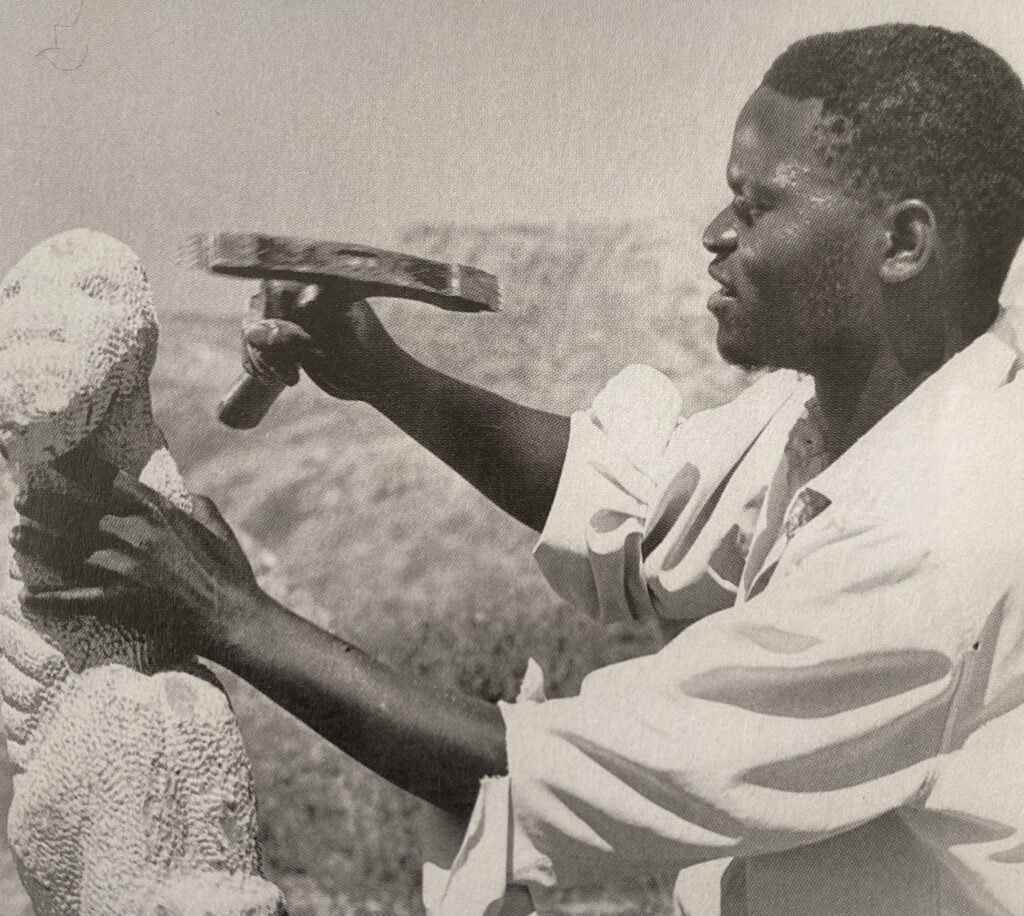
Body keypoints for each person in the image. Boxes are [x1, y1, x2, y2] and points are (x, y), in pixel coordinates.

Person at [12, 22, 1024, 916]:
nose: (715, 236)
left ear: (900, 242)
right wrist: (382, 373)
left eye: (755, 208)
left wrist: (229, 614)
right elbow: (633, 503)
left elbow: (558, 769)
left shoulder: (941, 540)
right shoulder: (830, 418)